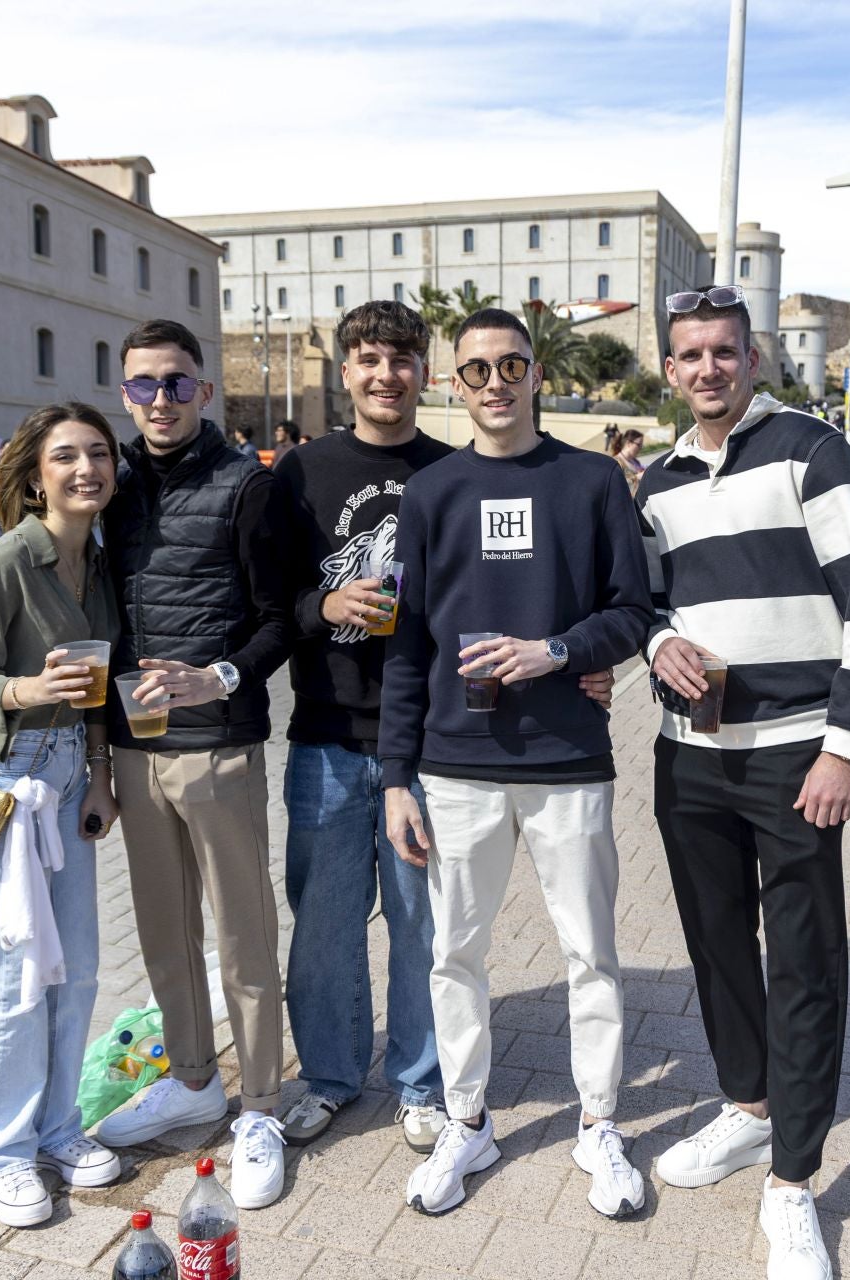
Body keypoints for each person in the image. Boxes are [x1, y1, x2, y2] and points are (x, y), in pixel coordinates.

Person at [269, 299, 621, 1154]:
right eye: (367, 359)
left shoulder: (516, 476)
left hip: (492, 748)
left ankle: (451, 1092)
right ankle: (354, 1086)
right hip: (359, 736)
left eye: (402, 359)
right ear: (347, 372)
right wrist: (323, 605)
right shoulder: (320, 475)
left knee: (453, 933)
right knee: (344, 928)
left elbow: (614, 604)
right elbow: (288, 605)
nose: (386, 374)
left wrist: (570, 653)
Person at [638, 286, 850, 1280]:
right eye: (689, 354)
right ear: (670, 368)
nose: (707, 368)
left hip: (797, 755)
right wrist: (662, 640)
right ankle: (748, 1105)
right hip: (689, 755)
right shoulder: (657, 479)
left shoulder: (810, 449)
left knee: (803, 959)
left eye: (723, 351)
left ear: (752, 357)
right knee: (716, 945)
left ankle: (795, 1181)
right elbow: (645, 603)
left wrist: (844, 746)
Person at [380, 307, 653, 1220]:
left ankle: (600, 1125)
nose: (494, 384)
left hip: (567, 760)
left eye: (510, 367)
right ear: (452, 386)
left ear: (537, 374)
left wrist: (557, 652)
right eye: (475, 371)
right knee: (454, 952)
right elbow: (408, 643)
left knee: (591, 952)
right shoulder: (433, 492)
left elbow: (631, 612)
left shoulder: (592, 482)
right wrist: (393, 778)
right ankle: (468, 1121)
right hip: (455, 767)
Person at [92, 319, 297, 1212]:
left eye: (177, 384)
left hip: (217, 747)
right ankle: (190, 1078)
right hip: (136, 752)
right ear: (124, 394)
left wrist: (215, 676)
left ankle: (259, 1105)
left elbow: (281, 618)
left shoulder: (245, 485)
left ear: (203, 392)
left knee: (243, 938)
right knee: (164, 935)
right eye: (144, 386)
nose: (162, 401)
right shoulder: (111, 484)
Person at [0, 402, 126, 1228]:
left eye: (99, 455)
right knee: (16, 974)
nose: (86, 470)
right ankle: (3, 1154)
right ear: (36, 474)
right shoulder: (9, 561)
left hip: (69, 779)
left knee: (75, 966)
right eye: (67, 457)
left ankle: (58, 1129)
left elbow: (100, 688)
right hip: (3, 782)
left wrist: (103, 776)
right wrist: (23, 690)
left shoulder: (100, 565)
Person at [605, 427, 646, 495]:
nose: (641, 448)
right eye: (639, 445)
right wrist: (637, 477)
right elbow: (615, 485)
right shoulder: (616, 462)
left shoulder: (635, 461)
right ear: (629, 443)